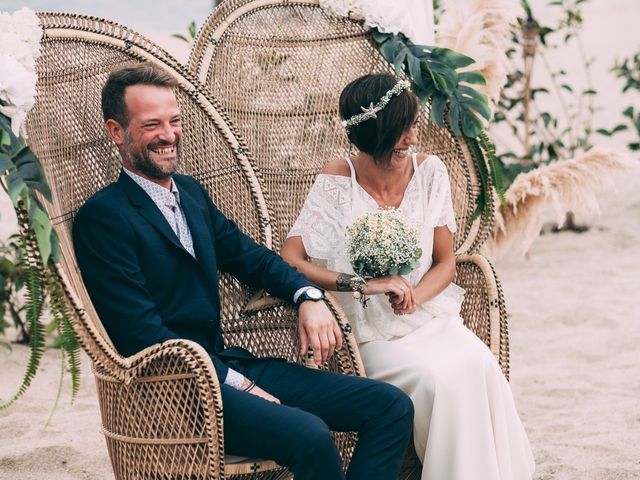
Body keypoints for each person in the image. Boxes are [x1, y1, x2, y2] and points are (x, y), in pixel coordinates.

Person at [72, 64, 414, 480]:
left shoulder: (192, 194)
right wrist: (238, 385)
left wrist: (308, 297)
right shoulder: (102, 218)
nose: (168, 134)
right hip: (176, 389)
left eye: (174, 121)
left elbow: (255, 260)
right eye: (151, 125)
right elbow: (141, 333)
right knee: (310, 434)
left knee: (391, 406)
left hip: (229, 365)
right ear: (116, 131)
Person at [281, 73, 536, 480]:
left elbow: (445, 262)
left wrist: (416, 295)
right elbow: (292, 260)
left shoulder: (431, 172)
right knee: (435, 380)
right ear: (372, 133)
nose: (412, 138)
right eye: (401, 130)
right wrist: (359, 284)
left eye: (414, 125)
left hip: (429, 318)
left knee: (478, 365)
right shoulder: (336, 178)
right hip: (366, 333)